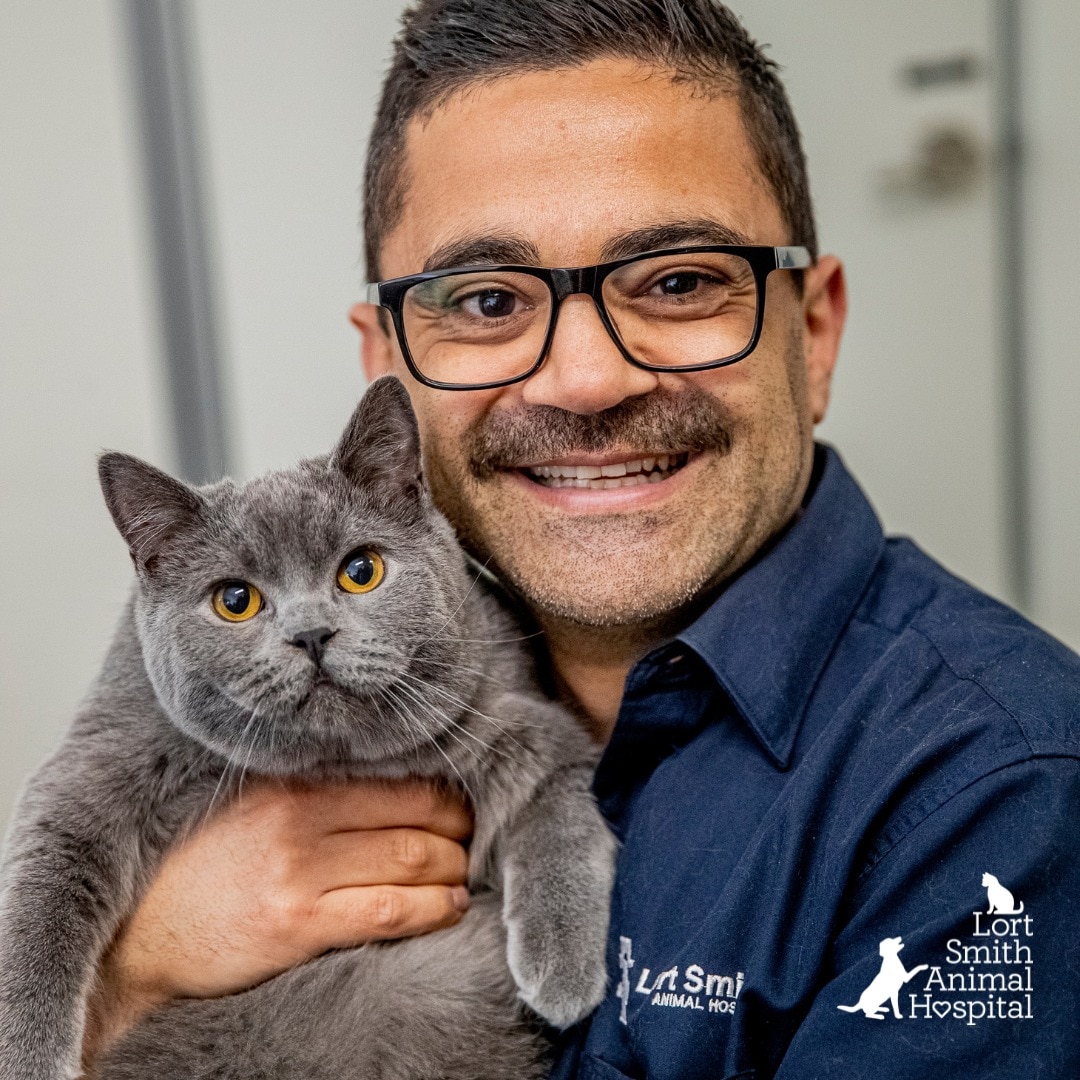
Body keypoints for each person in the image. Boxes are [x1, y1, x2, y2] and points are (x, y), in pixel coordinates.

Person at [83, 1, 1080, 1076]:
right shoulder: (270, 717)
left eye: (681, 280)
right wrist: (131, 976)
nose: (588, 378)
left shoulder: (995, 795)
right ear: (389, 364)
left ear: (816, 333)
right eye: (486, 299)